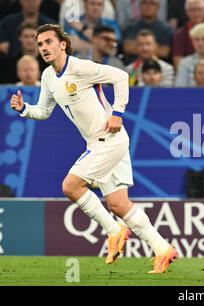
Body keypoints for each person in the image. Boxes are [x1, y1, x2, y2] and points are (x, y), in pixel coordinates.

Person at [9, 24, 177, 273]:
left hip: (110, 139)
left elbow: (120, 77)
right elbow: (44, 111)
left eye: (48, 42)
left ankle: (114, 230)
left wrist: (117, 113)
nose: (43, 47)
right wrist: (24, 109)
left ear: (62, 44)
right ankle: (163, 249)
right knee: (119, 204)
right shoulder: (47, 76)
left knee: (70, 185)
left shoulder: (80, 67)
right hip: (101, 142)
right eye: (40, 43)